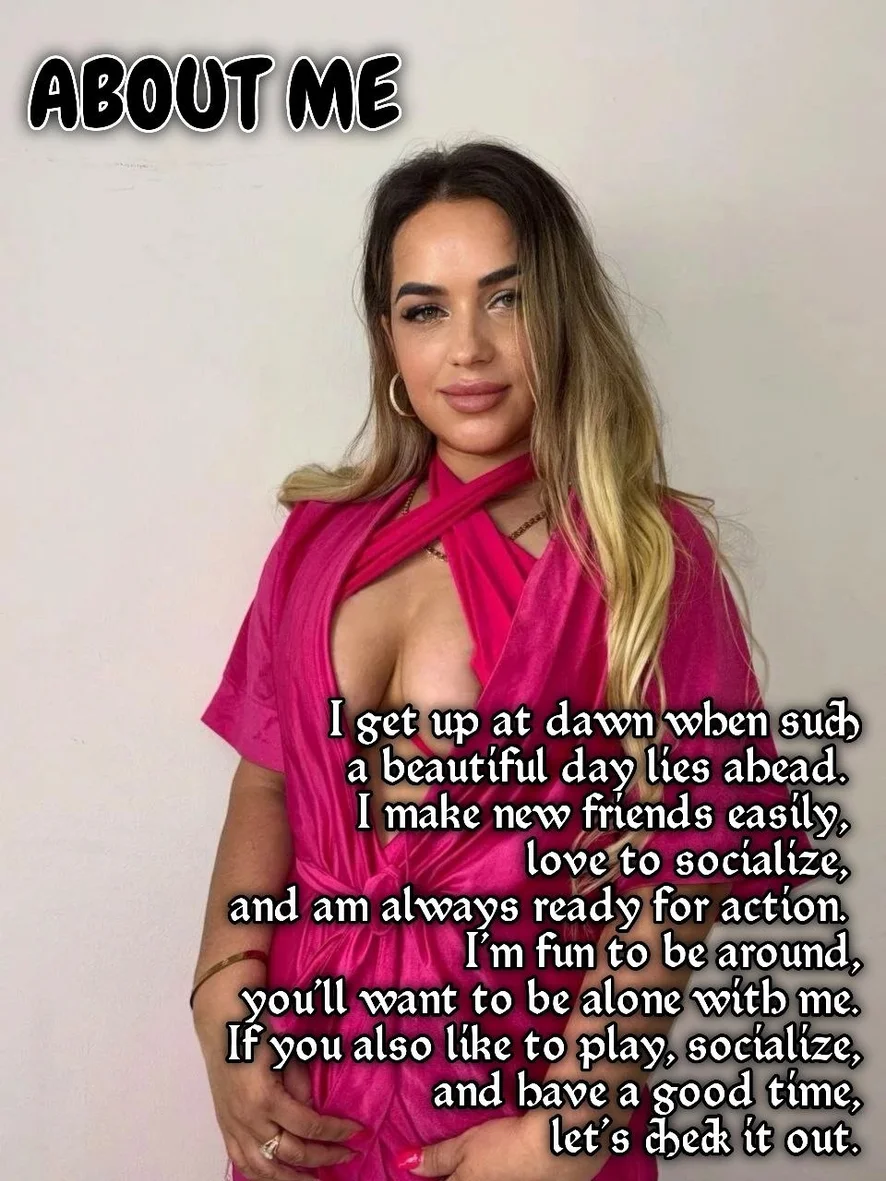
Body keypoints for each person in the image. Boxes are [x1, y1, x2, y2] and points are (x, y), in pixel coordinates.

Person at [192, 139, 818, 1181]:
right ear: (388, 339)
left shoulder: (641, 556)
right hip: (303, 1092)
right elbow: (267, 778)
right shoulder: (318, 539)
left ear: (561, 314)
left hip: (518, 1101)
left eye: (506, 299)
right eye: (425, 309)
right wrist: (220, 986)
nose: (467, 348)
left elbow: (694, 854)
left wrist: (565, 1133)